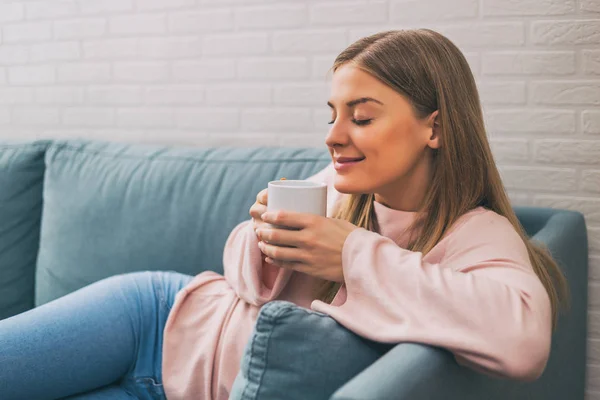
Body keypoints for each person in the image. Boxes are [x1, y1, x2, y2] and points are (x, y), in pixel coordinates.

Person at [0, 29, 567, 400]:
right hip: (153, 319)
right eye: (332, 115)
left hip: (174, 386)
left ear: (435, 127)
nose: (333, 137)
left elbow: (523, 343)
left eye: (361, 118)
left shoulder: (475, 234)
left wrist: (349, 256)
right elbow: (242, 283)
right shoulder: (333, 189)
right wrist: (258, 236)